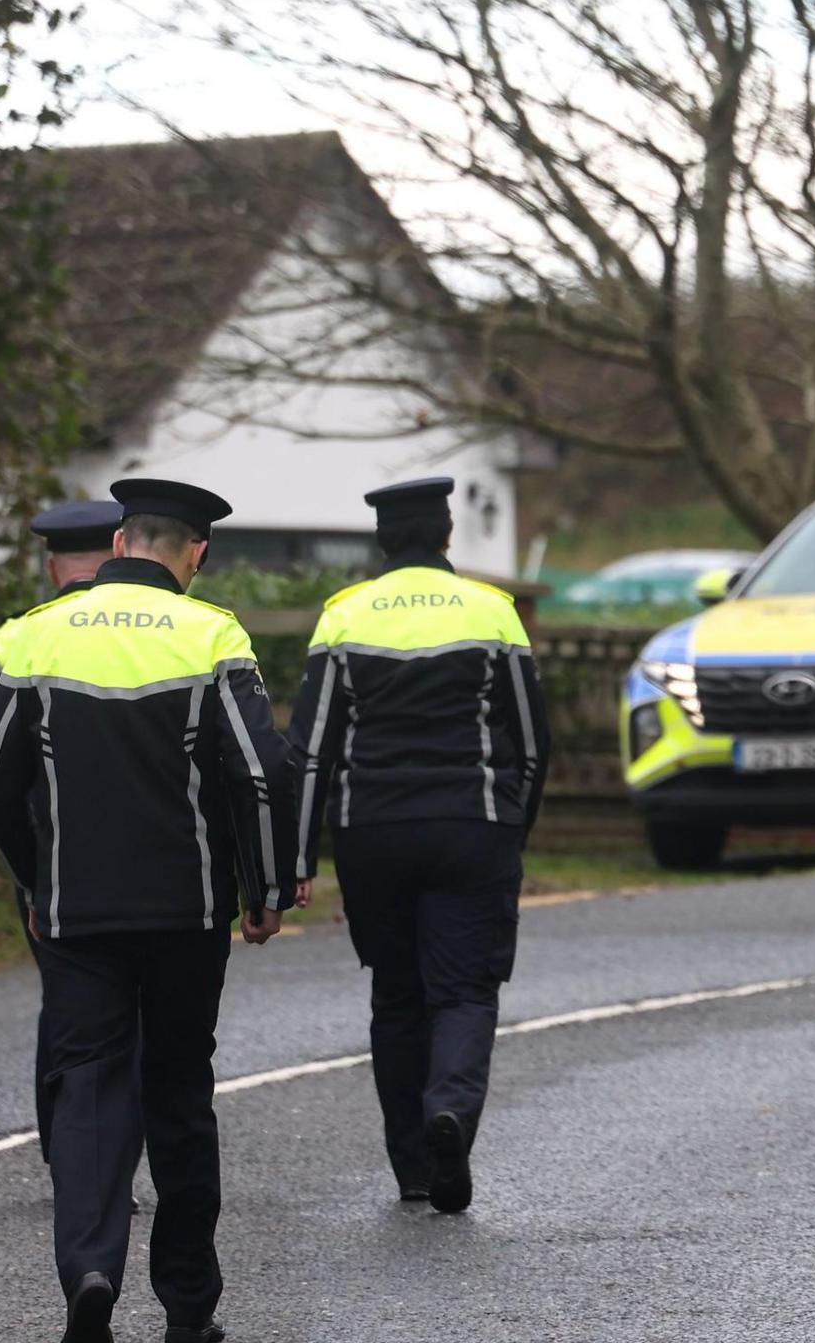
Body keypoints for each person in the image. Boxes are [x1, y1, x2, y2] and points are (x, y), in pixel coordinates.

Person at [0, 478, 305, 1343]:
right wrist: (264, 893)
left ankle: (89, 1268)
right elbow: (259, 775)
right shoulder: (212, 633)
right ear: (197, 554)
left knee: (89, 1086)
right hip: (187, 913)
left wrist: (35, 881)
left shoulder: (35, 636)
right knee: (180, 1094)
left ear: (118, 543)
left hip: (77, 913)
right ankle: (189, 1308)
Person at [285, 477, 551, 1213]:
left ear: (380, 542)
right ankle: (452, 1117)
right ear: (446, 536)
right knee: (464, 989)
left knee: (397, 994)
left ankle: (412, 1165)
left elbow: (310, 749)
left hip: (370, 831)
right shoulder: (493, 612)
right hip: (472, 824)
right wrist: (511, 830)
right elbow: (532, 741)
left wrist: (299, 855)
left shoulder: (343, 615)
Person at [0, 499, 125, 1167]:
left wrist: (26, 818)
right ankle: (125, 1152)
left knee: (69, 1001)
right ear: (121, 548)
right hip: (159, 854)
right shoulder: (169, 628)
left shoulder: (18, 636)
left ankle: (67, 1149)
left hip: (49, 855)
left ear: (53, 566)